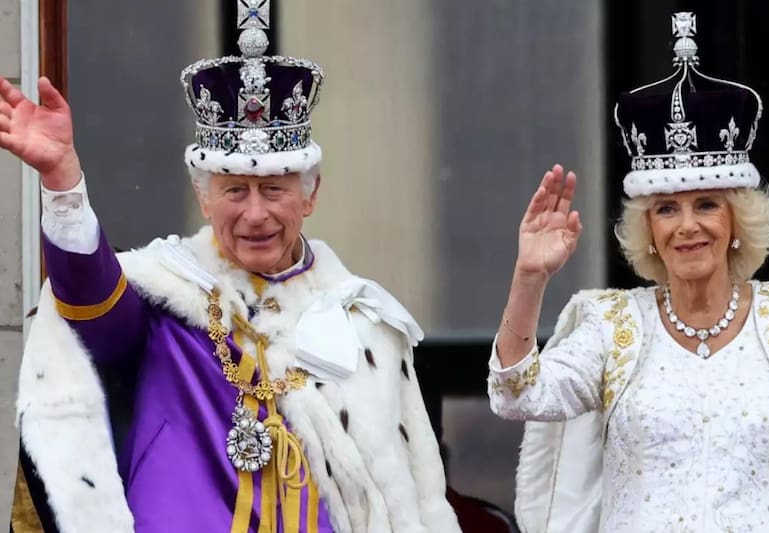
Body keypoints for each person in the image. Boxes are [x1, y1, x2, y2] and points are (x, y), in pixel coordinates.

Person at [1, 3, 460, 532]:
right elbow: (88, 297)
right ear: (204, 198)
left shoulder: (366, 327)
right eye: (235, 191)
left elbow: (405, 505)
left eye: (274, 190)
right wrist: (63, 181)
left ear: (310, 196)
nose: (255, 214)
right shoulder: (167, 300)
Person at [487, 12, 769, 533]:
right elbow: (517, 395)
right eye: (667, 209)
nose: (687, 226)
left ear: (737, 220)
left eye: (706, 204)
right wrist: (529, 278)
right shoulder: (613, 327)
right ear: (647, 228)